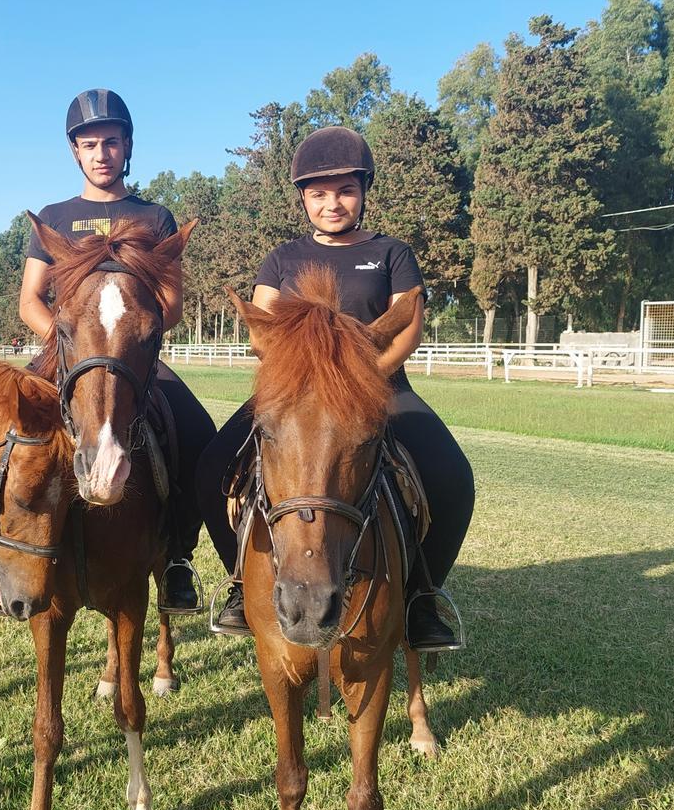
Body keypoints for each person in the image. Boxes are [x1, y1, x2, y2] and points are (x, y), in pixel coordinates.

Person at [195, 126, 474, 649]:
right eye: (319, 194)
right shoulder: (282, 258)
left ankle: (422, 598)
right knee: (212, 468)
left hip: (380, 388)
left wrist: (359, 379)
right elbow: (266, 332)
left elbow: (406, 325)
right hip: (295, 392)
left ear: (364, 191)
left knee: (452, 477)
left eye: (345, 190)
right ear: (303, 198)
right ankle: (238, 582)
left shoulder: (392, 253)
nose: (333, 204)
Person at [18, 88, 215, 615]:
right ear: (74, 152)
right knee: (6, 434)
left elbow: (170, 304)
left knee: (196, 432)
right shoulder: (54, 217)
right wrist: (67, 341)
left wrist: (132, 333)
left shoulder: (154, 217)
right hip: (65, 355)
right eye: (89, 144)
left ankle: (176, 554)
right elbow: (30, 300)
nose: (100, 153)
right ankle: (6, 557)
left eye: (110, 142)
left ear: (127, 147)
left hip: (132, 356)